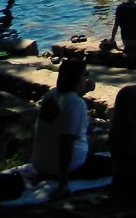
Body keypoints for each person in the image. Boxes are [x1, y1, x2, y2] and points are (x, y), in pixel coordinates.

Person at [32, 58, 107, 198]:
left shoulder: (51, 95)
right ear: (79, 79)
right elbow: (66, 144)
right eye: (86, 73)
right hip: (69, 167)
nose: (88, 77)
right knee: (117, 165)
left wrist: (83, 87)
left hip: (40, 165)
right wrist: (63, 184)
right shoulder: (77, 104)